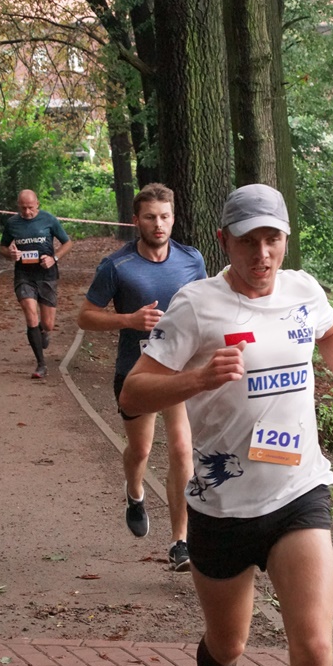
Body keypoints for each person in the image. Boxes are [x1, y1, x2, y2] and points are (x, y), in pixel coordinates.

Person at [118, 184, 333, 666]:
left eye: (273, 239)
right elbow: (133, 393)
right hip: (222, 506)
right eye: (250, 240)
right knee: (227, 645)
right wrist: (195, 380)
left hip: (298, 491)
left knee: (314, 646)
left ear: (285, 240)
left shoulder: (303, 290)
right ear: (224, 241)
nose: (263, 253)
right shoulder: (196, 305)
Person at [77, 183, 207, 572]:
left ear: (174, 218)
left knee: (182, 449)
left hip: (179, 369)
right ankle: (134, 491)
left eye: (165, 216)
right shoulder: (116, 266)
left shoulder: (191, 259)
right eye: (150, 217)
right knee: (141, 450)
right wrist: (130, 320)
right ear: (137, 220)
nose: (158, 224)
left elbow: (206, 307)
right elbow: (85, 317)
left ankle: (181, 542)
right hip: (136, 372)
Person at [0, 189, 73, 379]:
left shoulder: (49, 220)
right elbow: (2, 248)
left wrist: (54, 258)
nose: (27, 212)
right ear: (18, 206)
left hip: (47, 275)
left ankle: (44, 330)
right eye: (23, 208)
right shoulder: (12, 223)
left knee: (48, 324)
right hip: (23, 275)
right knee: (30, 315)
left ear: (37, 204)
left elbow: (67, 243)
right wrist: (10, 254)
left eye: (30, 208)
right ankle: (41, 364)